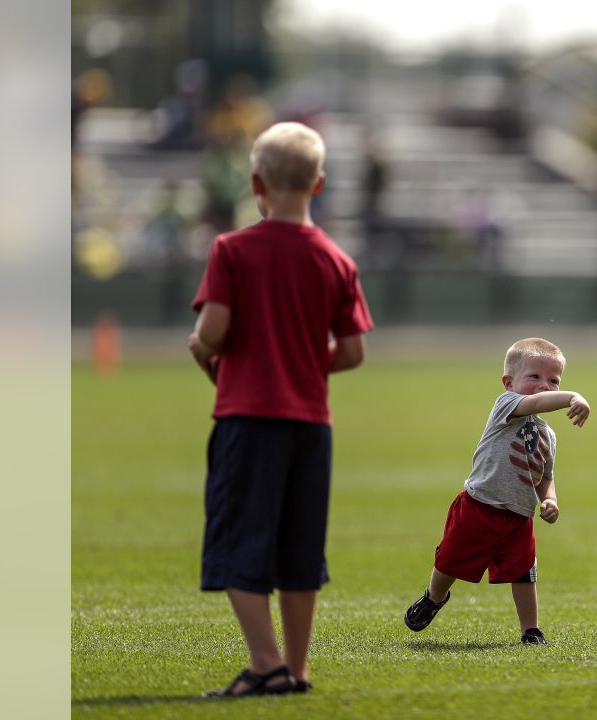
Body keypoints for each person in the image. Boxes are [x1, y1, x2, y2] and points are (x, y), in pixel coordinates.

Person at [189, 122, 374, 696]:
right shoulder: (337, 260)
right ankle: (296, 667)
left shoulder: (232, 249)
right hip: (311, 427)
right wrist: (299, 359)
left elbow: (212, 332)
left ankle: (265, 665)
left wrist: (203, 349)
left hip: (248, 420)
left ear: (255, 182)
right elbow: (350, 351)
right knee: (300, 549)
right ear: (319, 183)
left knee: (236, 542)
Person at [404, 338, 590, 645]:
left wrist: (550, 499)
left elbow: (545, 475)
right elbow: (534, 404)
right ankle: (434, 597)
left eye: (553, 380)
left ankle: (530, 629)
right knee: (449, 562)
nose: (544, 386)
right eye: (534, 377)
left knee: (524, 574)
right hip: (480, 507)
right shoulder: (507, 405)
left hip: (518, 517)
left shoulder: (548, 434)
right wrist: (574, 396)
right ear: (509, 382)